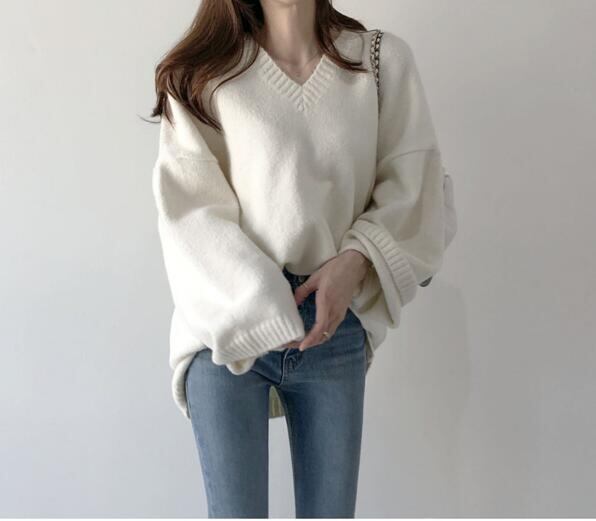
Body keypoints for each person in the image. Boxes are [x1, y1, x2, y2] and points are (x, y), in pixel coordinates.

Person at [149, 0, 457, 517]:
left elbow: (417, 192)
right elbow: (191, 217)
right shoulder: (203, 75)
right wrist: (264, 304)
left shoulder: (379, 63)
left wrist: (356, 259)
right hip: (226, 329)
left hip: (334, 327)